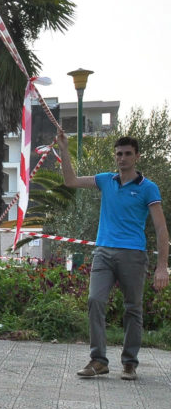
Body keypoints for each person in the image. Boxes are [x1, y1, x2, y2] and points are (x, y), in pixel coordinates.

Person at [57, 132, 168, 380]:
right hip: (103, 253)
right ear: (115, 156)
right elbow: (71, 180)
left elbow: (161, 228)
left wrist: (162, 267)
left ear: (137, 156)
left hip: (133, 255)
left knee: (133, 309)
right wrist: (64, 148)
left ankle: (129, 363)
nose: (123, 158)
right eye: (119, 154)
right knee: (95, 300)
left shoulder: (148, 188)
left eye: (128, 153)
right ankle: (98, 360)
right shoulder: (105, 180)